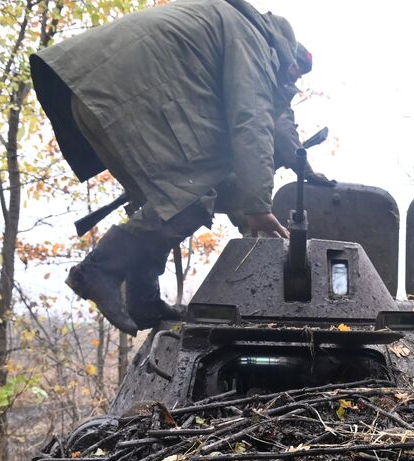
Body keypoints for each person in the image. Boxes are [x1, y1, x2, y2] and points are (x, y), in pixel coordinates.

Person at [30, 0, 332, 335]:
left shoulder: (240, 29)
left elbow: (276, 121)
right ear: (285, 52)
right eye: (293, 69)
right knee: (196, 193)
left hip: (98, 92)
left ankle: (143, 300)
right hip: (126, 96)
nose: (293, 77)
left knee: (169, 200)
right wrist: (257, 205)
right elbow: (252, 121)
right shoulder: (252, 40)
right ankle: (99, 269)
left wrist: (299, 165)